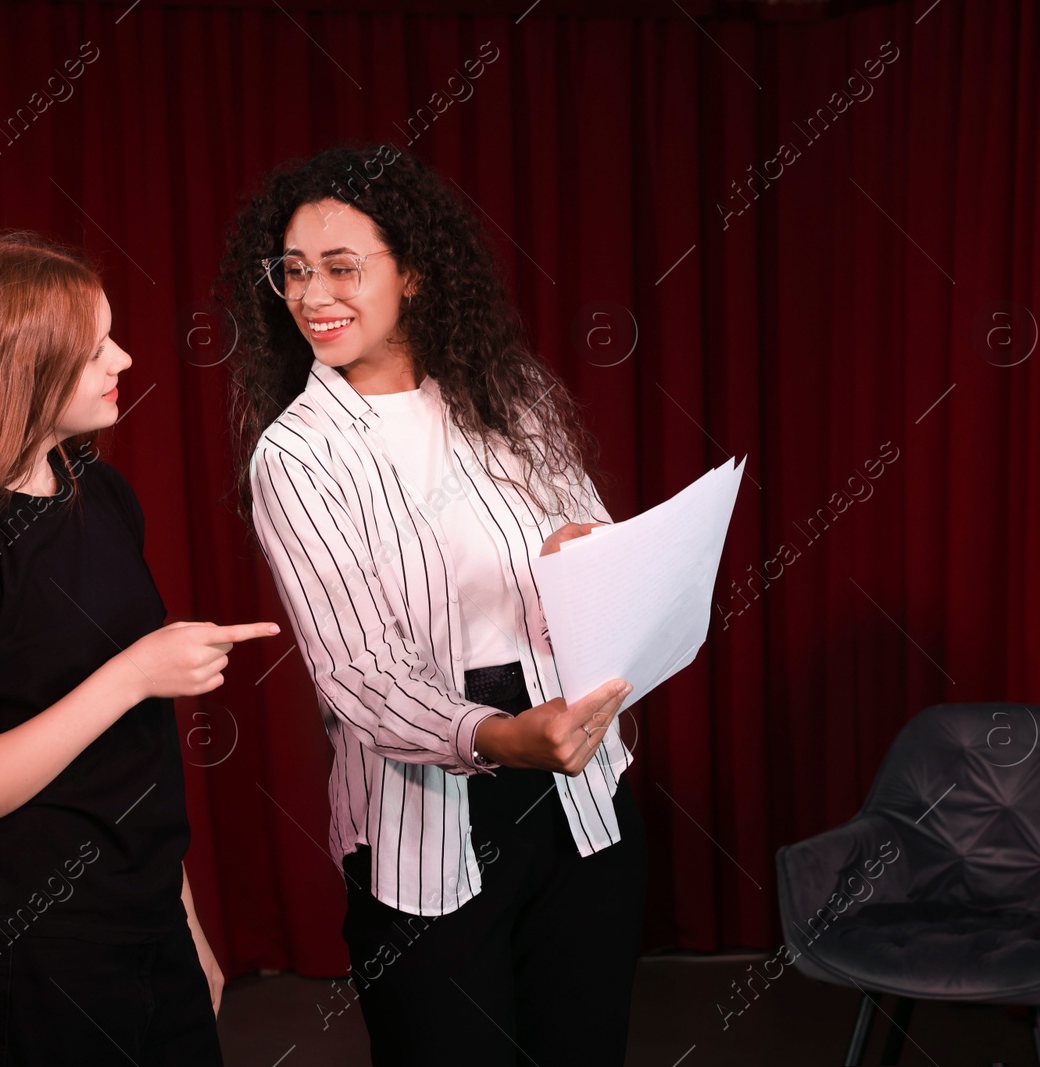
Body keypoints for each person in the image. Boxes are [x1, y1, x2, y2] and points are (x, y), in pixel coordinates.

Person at [219, 145, 648, 1066]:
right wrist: (498, 737)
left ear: (412, 273)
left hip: (580, 785)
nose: (311, 294)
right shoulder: (296, 458)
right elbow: (361, 678)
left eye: (341, 266)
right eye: (293, 270)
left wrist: (590, 557)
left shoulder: (508, 393)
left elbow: (601, 540)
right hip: (426, 812)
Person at [0, 230, 279, 1066]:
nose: (128, 358)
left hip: (144, 928)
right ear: (18, 369)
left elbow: (130, 762)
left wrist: (187, 932)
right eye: (96, 346)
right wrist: (135, 674)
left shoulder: (97, 492)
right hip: (26, 954)